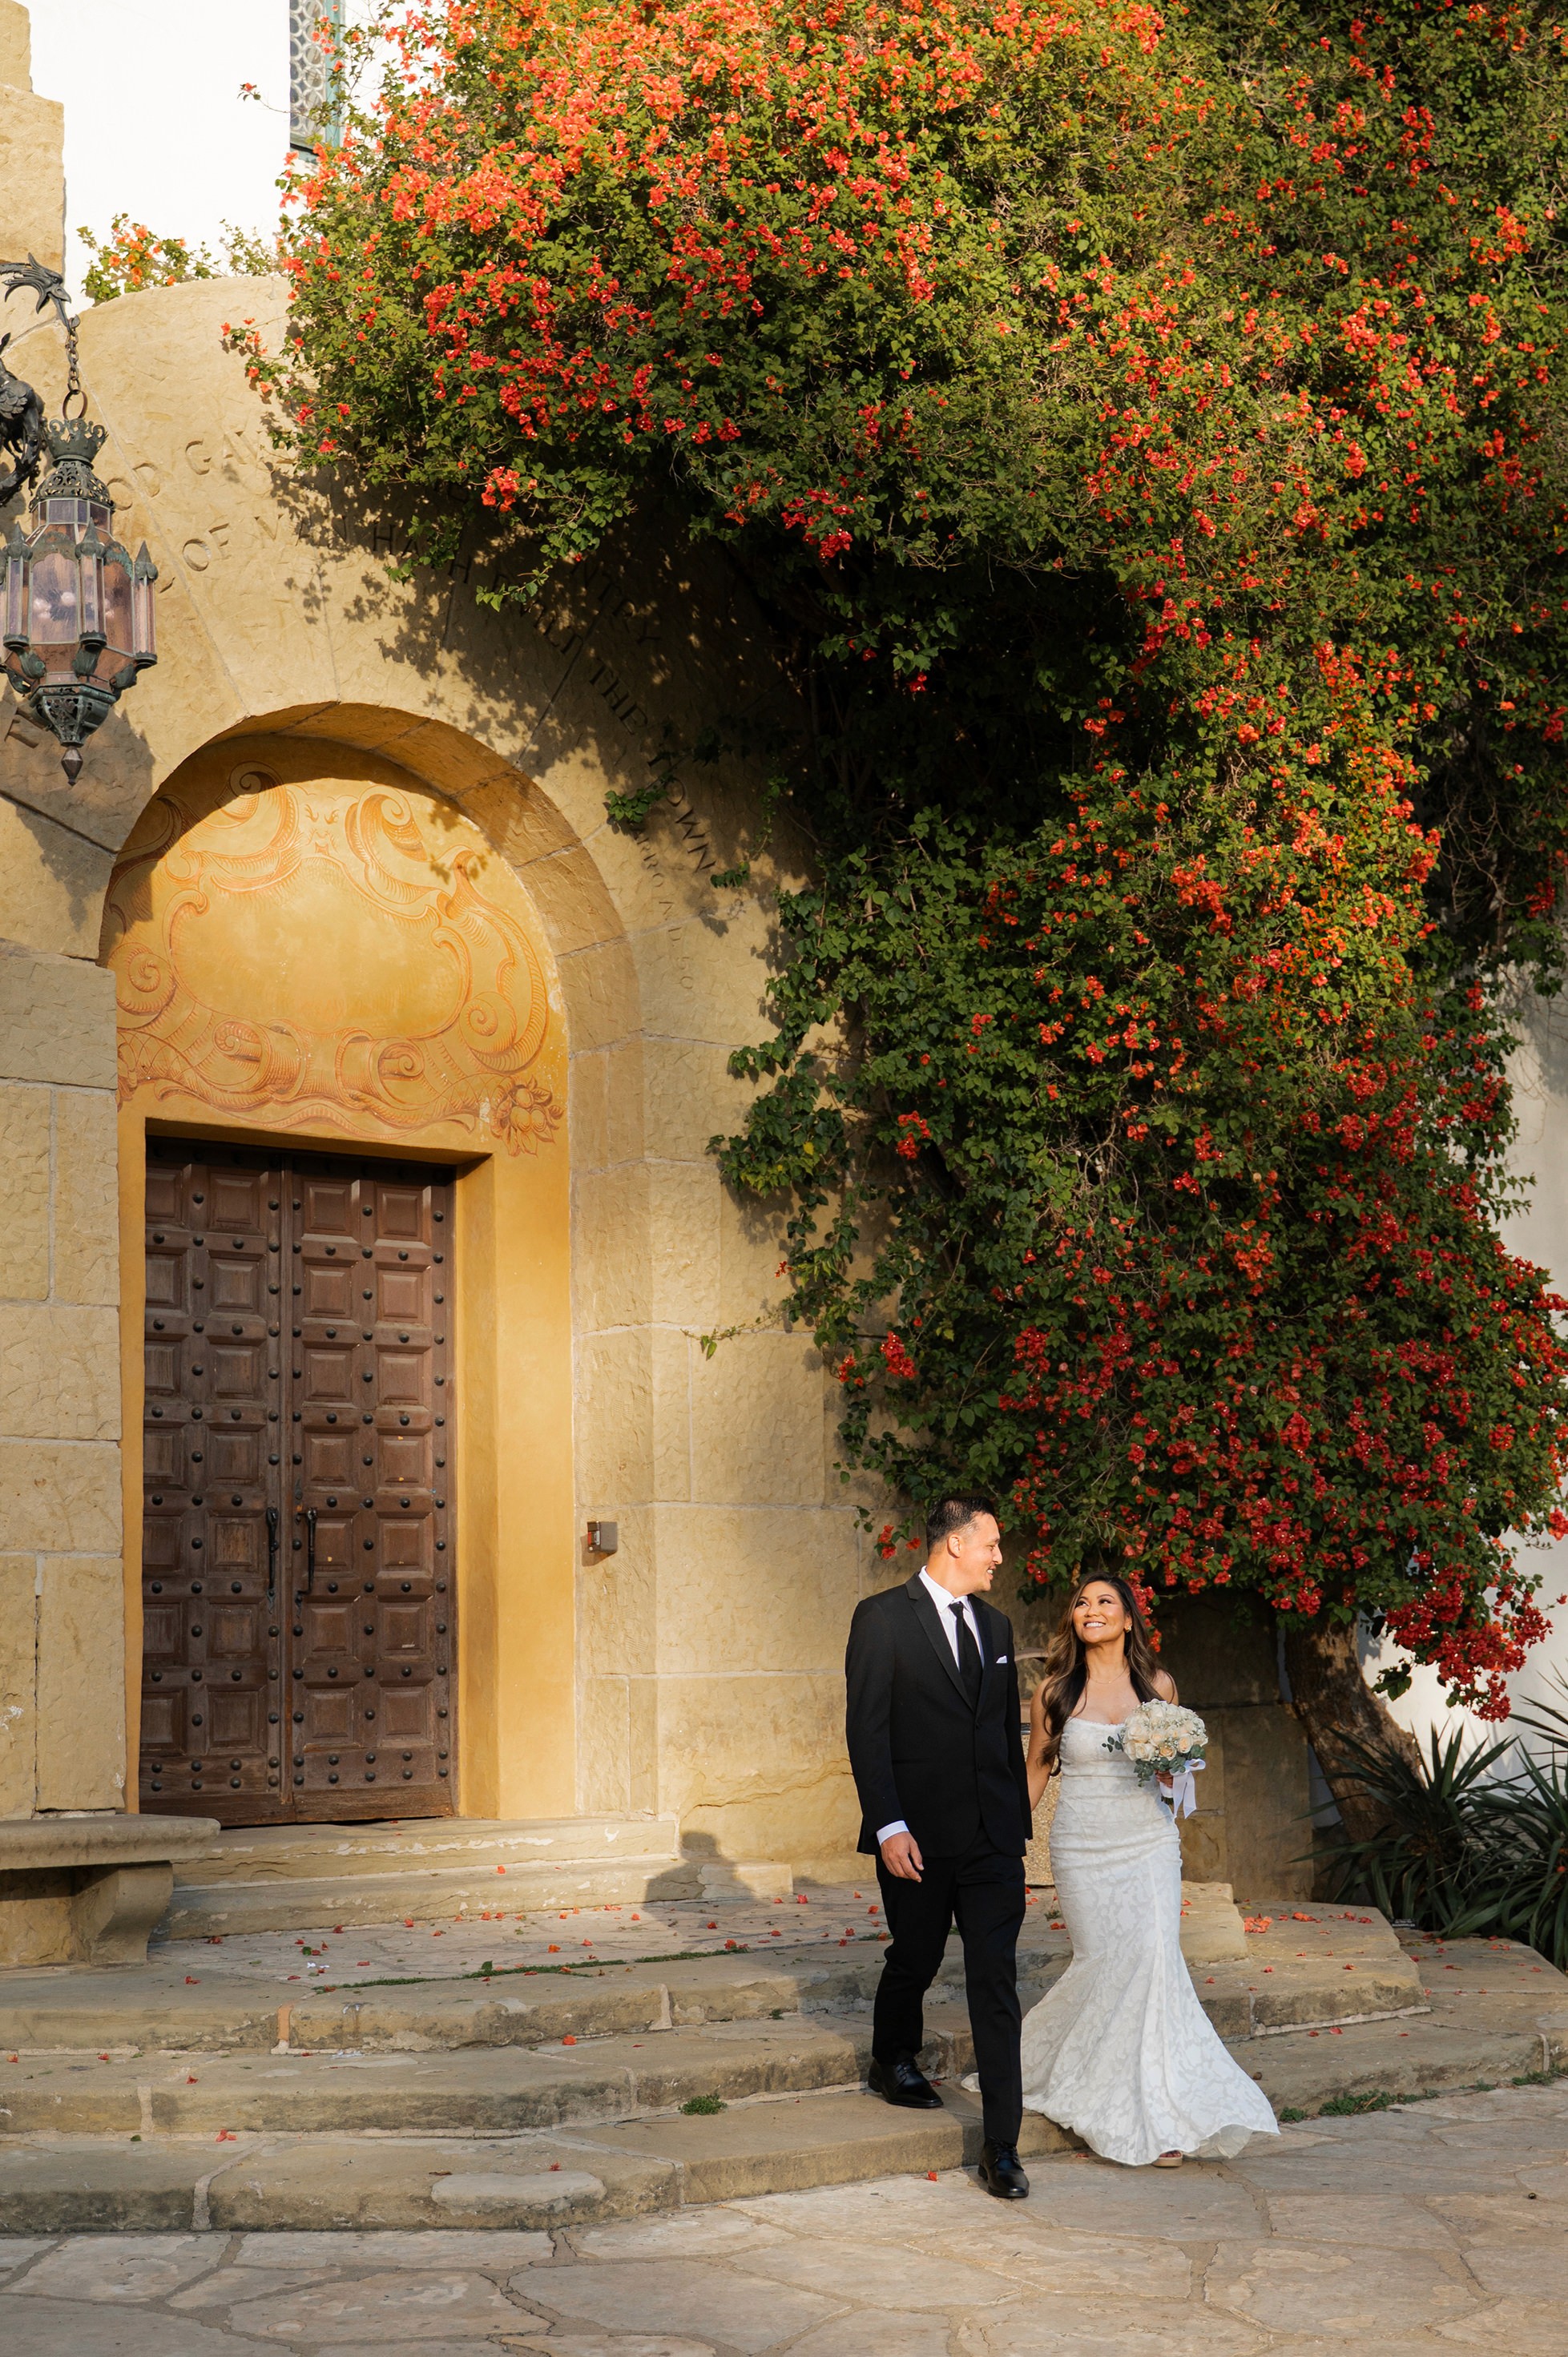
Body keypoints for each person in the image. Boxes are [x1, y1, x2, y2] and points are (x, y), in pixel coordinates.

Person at [1018, 1573, 1280, 2166]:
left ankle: (1157, 2114)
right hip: (1083, 1847)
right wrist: (1004, 1839)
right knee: (1105, 1964)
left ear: (1128, 1619)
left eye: (1104, 1601)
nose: (1090, 1609)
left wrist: (1170, 1767)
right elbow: (1036, 1769)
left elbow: (1179, 1775)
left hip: (1147, 1843)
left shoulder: (1157, 1685)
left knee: (1153, 1962)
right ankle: (1084, 2081)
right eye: (1080, 1602)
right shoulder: (1054, 1691)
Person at [844, 1495, 1034, 2200]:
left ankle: (1002, 2147)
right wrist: (888, 1826)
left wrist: (1014, 1827)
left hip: (990, 1842)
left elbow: (999, 1738)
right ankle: (891, 2056)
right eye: (990, 1544)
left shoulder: (997, 1625)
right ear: (954, 1543)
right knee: (915, 1956)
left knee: (995, 1983)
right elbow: (866, 1732)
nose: (998, 1557)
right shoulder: (882, 1618)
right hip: (916, 1838)